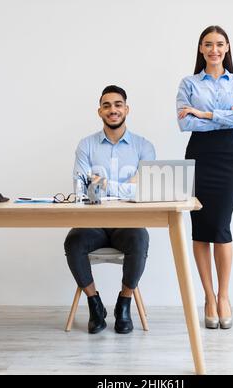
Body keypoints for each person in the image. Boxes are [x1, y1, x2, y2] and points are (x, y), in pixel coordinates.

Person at [176, 26, 233, 329]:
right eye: (208, 44)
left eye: (219, 44)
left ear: (227, 47)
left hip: (229, 157)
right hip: (199, 157)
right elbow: (185, 123)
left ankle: (224, 296)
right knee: (200, 227)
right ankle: (208, 297)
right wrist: (226, 113)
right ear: (200, 49)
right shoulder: (189, 83)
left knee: (221, 226)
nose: (214, 49)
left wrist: (206, 114)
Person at [64, 85, 156, 334]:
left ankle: (124, 303)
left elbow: (145, 191)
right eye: (107, 105)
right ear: (99, 111)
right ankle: (95, 304)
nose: (112, 110)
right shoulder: (86, 145)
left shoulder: (144, 147)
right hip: (93, 222)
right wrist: (127, 187)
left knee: (140, 239)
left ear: (126, 109)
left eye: (117, 105)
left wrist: (106, 185)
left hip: (128, 224)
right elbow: (81, 187)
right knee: (73, 242)